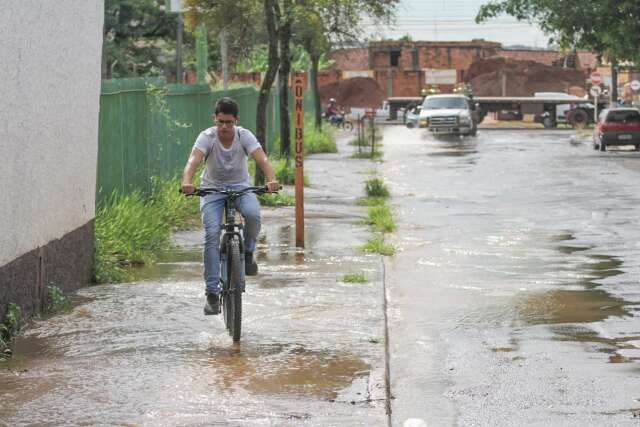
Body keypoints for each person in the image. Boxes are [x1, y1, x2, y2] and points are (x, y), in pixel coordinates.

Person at [181, 97, 279, 315]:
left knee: (253, 215)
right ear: (214, 119)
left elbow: (261, 159)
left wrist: (271, 179)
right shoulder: (207, 137)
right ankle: (212, 293)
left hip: (241, 187)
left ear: (236, 120)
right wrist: (187, 181)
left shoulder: (244, 136)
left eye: (229, 122)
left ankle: (249, 251)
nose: (224, 127)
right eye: (220, 122)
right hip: (211, 190)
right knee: (212, 234)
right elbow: (193, 161)